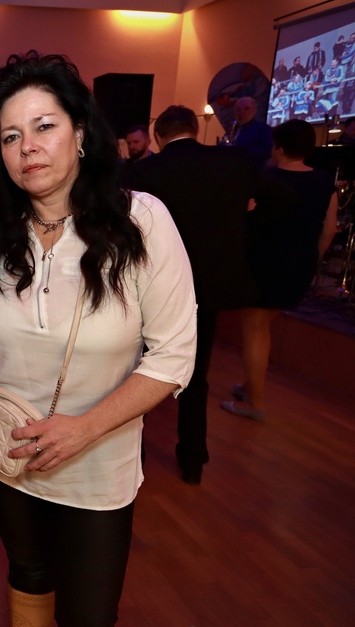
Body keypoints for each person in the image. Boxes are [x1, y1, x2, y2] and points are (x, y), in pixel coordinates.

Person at [0, 52, 196, 626]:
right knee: (28, 574)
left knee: (90, 611)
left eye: (44, 126)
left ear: (81, 133)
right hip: (7, 451)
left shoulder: (141, 222)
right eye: (11, 136)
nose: (28, 147)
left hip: (98, 464)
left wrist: (84, 429)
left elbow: (174, 355)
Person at [124, 106, 258, 485]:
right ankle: (193, 460)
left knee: (139, 372)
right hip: (208, 286)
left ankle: (136, 458)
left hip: (153, 287)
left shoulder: (142, 172)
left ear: (159, 136)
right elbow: (282, 196)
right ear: (195, 129)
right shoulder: (234, 162)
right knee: (196, 377)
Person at [223, 120, 338, 421]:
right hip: (300, 264)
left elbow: (246, 220)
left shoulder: (266, 178)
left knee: (255, 329)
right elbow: (329, 229)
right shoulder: (325, 181)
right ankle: (249, 385)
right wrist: (311, 259)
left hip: (263, 263)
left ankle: (256, 403)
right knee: (264, 327)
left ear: (279, 148)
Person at [231, 97, 273, 167]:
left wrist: (242, 153)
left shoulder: (263, 129)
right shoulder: (234, 130)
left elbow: (267, 150)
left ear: (254, 110)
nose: (242, 112)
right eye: (238, 110)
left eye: (246, 108)